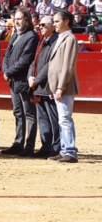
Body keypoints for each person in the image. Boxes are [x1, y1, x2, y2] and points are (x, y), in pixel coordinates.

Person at [2, 8, 39, 156]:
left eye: (19, 19)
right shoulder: (16, 35)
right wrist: (6, 70)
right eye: (15, 19)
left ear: (27, 20)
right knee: (18, 112)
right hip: (14, 81)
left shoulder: (31, 36)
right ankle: (18, 143)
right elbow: (7, 56)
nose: (16, 22)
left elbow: (26, 60)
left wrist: (8, 72)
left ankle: (29, 146)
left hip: (23, 80)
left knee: (29, 113)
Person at [48, 11, 79, 163]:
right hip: (58, 86)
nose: (54, 24)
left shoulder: (70, 38)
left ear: (66, 21)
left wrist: (60, 87)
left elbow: (67, 65)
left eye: (57, 21)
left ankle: (70, 151)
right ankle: (64, 149)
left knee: (65, 118)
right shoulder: (61, 38)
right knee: (62, 119)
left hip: (64, 86)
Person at [28, 16, 60, 158]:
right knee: (43, 119)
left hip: (48, 86)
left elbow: (50, 65)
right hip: (39, 87)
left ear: (52, 26)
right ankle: (46, 147)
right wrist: (30, 76)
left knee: (54, 119)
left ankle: (56, 148)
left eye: (43, 25)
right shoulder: (42, 41)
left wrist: (36, 80)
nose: (40, 27)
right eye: (39, 25)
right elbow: (34, 62)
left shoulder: (55, 42)